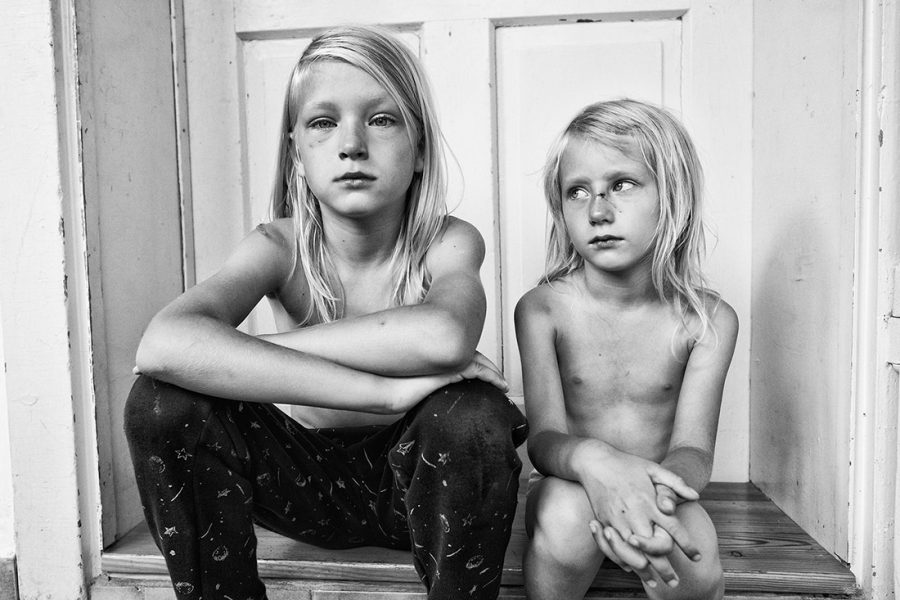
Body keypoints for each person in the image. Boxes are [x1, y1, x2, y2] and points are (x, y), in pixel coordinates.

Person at [124, 25, 527, 600]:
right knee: (162, 401)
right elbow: (163, 346)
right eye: (323, 122)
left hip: (418, 482)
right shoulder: (277, 246)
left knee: (472, 413)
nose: (352, 144)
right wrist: (384, 392)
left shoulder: (448, 241)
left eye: (381, 119)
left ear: (420, 151)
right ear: (297, 152)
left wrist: (234, 354)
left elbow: (444, 337)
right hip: (302, 485)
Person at [515, 99, 738, 600]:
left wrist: (653, 500)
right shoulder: (543, 310)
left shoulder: (707, 321)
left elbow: (694, 450)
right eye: (577, 192)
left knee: (694, 552)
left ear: (673, 196)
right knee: (568, 522)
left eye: (622, 184)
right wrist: (596, 463)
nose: (598, 211)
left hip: (662, 486)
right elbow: (544, 441)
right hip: (568, 483)